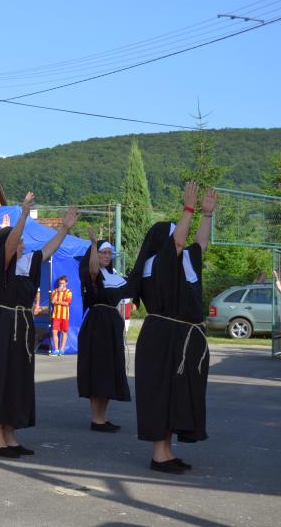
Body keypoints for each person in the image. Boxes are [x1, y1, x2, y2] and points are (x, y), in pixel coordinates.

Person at [0, 192, 79, 459]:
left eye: (21, 241)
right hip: (1, 325)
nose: (21, 244)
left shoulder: (26, 263)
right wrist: (22, 215)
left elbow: (48, 249)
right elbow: (9, 245)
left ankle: (10, 435)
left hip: (21, 326)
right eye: (18, 241)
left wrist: (64, 229)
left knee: (17, 380)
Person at [130, 182, 217, 474]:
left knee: (176, 394)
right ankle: (159, 455)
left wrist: (207, 215)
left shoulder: (183, 262)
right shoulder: (156, 263)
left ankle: (167, 451)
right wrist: (188, 209)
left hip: (181, 336)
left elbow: (200, 245)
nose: (179, 238)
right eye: (174, 234)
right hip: (162, 336)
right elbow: (177, 244)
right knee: (161, 394)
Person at [76, 234, 132, 432]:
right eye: (103, 253)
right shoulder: (92, 274)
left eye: (109, 253)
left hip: (112, 324)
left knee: (110, 370)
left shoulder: (114, 275)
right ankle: (96, 419)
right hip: (97, 324)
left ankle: (103, 417)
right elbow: (93, 270)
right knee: (99, 370)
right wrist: (93, 245)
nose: (107, 256)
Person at [50, 276, 73, 356]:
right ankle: (56, 350)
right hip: (56, 315)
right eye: (60, 283)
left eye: (63, 283)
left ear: (66, 283)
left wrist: (57, 302)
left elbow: (67, 303)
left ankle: (62, 350)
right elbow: (52, 301)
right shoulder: (55, 291)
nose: (61, 285)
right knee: (54, 331)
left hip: (65, 315)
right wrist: (57, 293)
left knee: (64, 332)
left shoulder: (69, 292)